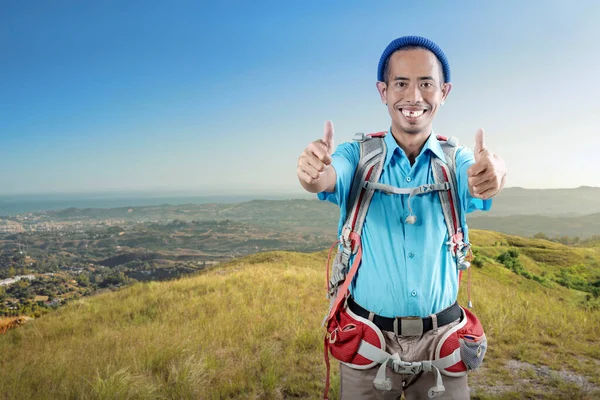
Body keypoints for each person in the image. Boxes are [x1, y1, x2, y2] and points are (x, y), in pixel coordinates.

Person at [296, 36, 507, 399]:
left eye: (426, 83)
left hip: (443, 344)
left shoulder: (455, 162)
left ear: (444, 91)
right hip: (367, 342)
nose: (414, 96)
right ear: (383, 91)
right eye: (401, 83)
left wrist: (494, 175)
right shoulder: (356, 156)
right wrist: (311, 173)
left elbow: (479, 179)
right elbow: (326, 177)